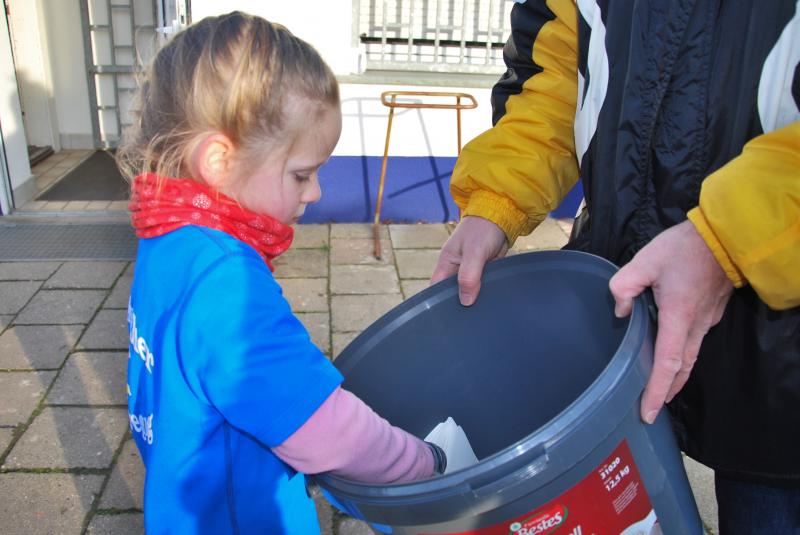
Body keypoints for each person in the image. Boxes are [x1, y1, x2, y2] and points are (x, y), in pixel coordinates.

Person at [431, 1, 799, 532]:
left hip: (782, 337)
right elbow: (554, 76)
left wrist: (734, 236)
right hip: (619, 300)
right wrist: (497, 199)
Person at [118, 12, 445, 535]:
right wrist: (427, 464)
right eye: (302, 174)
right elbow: (324, 430)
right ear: (220, 161)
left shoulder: (164, 236)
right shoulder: (228, 286)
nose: (316, 192)